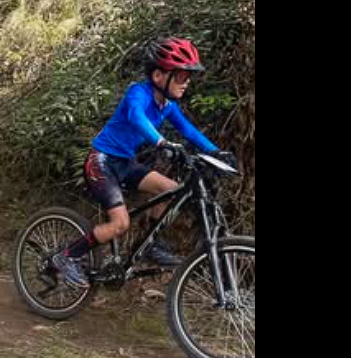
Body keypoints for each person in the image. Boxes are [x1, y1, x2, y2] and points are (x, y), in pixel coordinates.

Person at [51, 37, 237, 289]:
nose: (187, 81)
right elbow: (136, 116)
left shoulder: (167, 106)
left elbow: (189, 130)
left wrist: (216, 152)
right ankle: (66, 256)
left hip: (125, 163)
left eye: (188, 76)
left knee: (171, 190)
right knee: (120, 223)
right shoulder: (138, 93)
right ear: (159, 76)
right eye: (181, 75)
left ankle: (149, 245)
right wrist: (161, 142)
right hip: (101, 162)